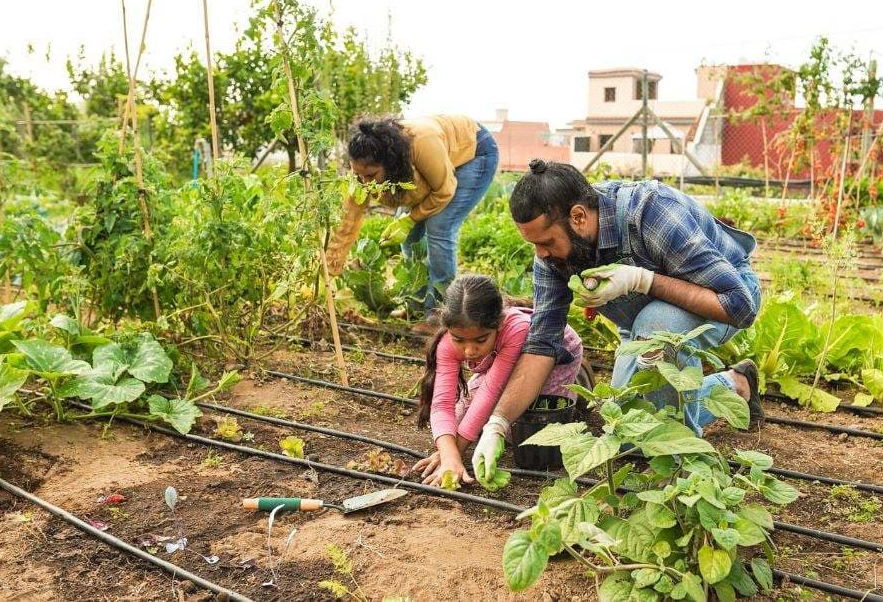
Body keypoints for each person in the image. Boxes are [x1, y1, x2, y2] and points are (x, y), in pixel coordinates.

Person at [470, 159, 763, 483]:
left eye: (546, 242)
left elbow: (740, 306)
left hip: (721, 297)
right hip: (642, 324)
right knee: (625, 435)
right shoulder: (554, 257)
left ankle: (681, 467)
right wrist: (497, 423)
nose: (540, 254)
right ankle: (734, 385)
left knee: (657, 327)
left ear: (578, 217)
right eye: (534, 244)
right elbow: (542, 344)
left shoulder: (651, 214)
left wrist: (642, 280)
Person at [411, 274, 583, 487]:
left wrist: (455, 454)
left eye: (480, 340)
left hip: (552, 356)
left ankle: (575, 384)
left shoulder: (516, 329)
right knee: (460, 417)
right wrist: (449, 455)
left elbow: (490, 393)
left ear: (499, 325)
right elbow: (442, 404)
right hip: (499, 363)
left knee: (520, 433)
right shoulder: (447, 344)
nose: (469, 350)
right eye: (459, 340)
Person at [327, 115, 500, 327]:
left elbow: (444, 191)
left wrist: (411, 218)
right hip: (436, 159)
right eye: (359, 175)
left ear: (390, 164)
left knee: (440, 225)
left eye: (371, 175)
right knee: (408, 235)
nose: (365, 182)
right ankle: (415, 307)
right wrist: (332, 261)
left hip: (475, 152)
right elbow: (350, 215)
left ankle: (438, 314)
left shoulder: (422, 143)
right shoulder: (365, 168)